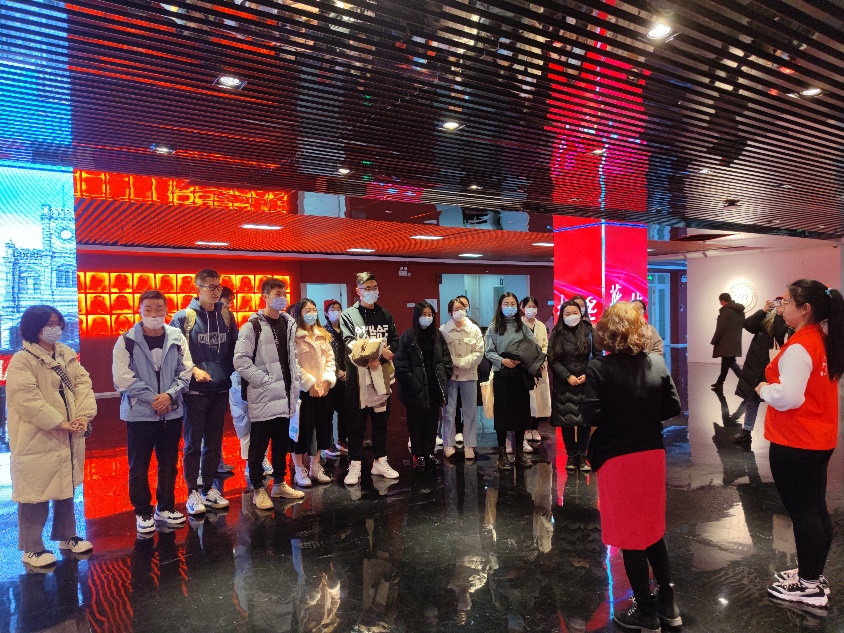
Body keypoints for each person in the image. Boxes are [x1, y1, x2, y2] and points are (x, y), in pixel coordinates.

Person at [582, 301, 683, 631]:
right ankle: (669, 604)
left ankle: (646, 613)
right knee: (653, 530)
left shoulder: (599, 368)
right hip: (652, 453)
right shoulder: (656, 362)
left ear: (606, 332)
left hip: (616, 457)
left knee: (629, 535)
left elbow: (591, 414)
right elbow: (672, 406)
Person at [757, 280, 843, 607]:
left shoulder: (800, 346)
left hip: (796, 441)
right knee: (815, 509)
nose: (781, 307)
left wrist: (764, 390)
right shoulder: (821, 339)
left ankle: (809, 586)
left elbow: (789, 397)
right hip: (817, 439)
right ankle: (812, 574)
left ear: (805, 309)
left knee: (804, 513)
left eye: (787, 302)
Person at [6, 305, 97, 568]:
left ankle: (67, 536)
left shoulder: (66, 354)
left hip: (68, 434)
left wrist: (83, 416)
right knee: (34, 491)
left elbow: (83, 386)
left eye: (58, 323)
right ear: (34, 327)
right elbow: (27, 399)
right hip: (36, 436)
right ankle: (32, 547)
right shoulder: (22, 359)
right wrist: (59, 423)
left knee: (65, 486)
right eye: (49, 324)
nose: (55, 328)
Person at [112, 290, 194, 534]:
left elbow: (186, 371)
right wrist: (154, 398)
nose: (154, 314)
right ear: (139, 311)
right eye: (148, 309)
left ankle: (165, 506)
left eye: (159, 309)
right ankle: (143, 511)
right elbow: (122, 379)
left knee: (169, 463)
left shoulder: (177, 337)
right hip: (140, 413)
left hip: (171, 411)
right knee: (139, 465)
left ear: (166, 310)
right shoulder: (126, 340)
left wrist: (169, 395)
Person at [169, 269, 238, 516]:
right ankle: (192, 492)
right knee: (193, 444)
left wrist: (227, 373)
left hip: (219, 390)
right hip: (194, 392)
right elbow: (174, 353)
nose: (216, 291)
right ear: (198, 289)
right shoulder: (183, 317)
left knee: (214, 443)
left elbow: (233, 349)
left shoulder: (226, 315)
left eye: (218, 286)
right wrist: (193, 370)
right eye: (210, 287)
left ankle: (209, 488)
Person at [234, 277, 305, 510]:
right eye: (277, 294)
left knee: (281, 443)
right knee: (258, 445)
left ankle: (279, 484)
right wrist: (264, 381)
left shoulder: (288, 323)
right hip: (264, 396)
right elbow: (240, 361)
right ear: (264, 297)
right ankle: (258, 488)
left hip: (286, 396)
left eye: (284, 293)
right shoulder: (252, 326)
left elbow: (291, 359)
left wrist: (295, 382)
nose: (281, 298)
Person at [340, 272, 401, 485]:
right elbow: (350, 342)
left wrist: (382, 356)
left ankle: (380, 461)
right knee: (356, 424)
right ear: (358, 291)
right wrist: (372, 356)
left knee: (381, 421)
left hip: (381, 375)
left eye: (375, 287)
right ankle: (355, 463)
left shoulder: (385, 314)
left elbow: (394, 340)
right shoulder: (348, 315)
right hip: (358, 377)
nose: (372, 291)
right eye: (367, 288)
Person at [395, 301, 453, 470]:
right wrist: (412, 382)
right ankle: (418, 453)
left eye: (430, 315)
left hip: (434, 385)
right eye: (423, 314)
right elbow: (400, 363)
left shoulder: (437, 335)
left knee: (432, 421)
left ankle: (429, 452)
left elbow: (446, 358)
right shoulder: (408, 336)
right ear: (417, 316)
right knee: (415, 422)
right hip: (415, 387)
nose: (427, 318)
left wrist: (444, 375)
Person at [484, 292, 537, 471]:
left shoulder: (523, 327)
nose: (510, 307)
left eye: (513, 303)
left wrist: (522, 359)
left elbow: (532, 346)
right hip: (502, 375)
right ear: (500, 306)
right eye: (506, 303)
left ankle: (519, 453)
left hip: (520, 376)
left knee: (521, 414)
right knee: (503, 415)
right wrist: (502, 361)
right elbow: (488, 351)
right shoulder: (494, 327)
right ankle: (502, 454)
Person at [549, 300, 600, 473]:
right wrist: (567, 376)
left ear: (581, 313)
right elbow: (552, 359)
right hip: (565, 383)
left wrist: (588, 374)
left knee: (585, 421)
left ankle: (582, 456)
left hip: (586, 381)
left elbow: (598, 356)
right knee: (567, 421)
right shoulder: (557, 332)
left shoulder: (589, 331)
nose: (571, 316)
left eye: (575, 313)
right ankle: (571, 455)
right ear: (562, 316)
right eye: (567, 314)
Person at [291, 298, 336, 487]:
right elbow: (293, 364)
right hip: (303, 392)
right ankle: (299, 469)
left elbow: (330, 360)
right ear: (299, 313)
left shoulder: (322, 334)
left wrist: (326, 382)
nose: (311, 314)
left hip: (322, 391)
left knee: (320, 430)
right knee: (300, 432)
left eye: (314, 310)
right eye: (307, 310)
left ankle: (315, 467)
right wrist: (309, 384)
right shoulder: (293, 335)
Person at [732, 299, 787, 444]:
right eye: (776, 303)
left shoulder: (787, 321)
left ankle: (778, 433)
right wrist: (763, 311)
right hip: (756, 363)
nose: (777, 306)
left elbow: (780, 335)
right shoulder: (766, 318)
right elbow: (748, 325)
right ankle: (746, 431)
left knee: (777, 400)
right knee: (752, 399)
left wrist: (780, 315)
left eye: (782, 303)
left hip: (773, 365)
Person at [440, 297, 484, 460]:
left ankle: (469, 444)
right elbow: (442, 353)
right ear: (450, 312)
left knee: (470, 411)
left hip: (469, 375)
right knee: (449, 411)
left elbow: (478, 353)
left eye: (462, 309)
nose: (459, 312)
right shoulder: (443, 330)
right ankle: (448, 444)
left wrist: (462, 363)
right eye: (456, 309)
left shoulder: (474, 330)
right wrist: (453, 363)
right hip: (450, 376)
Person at [521, 296, 550, 446]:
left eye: (534, 306)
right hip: (524, 368)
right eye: (528, 306)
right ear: (522, 308)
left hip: (539, 367)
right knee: (527, 400)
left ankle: (535, 429)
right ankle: (526, 428)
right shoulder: (518, 325)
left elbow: (545, 345)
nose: (531, 309)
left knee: (539, 400)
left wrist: (542, 361)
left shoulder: (541, 326)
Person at [323, 299, 349, 458]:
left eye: (339, 308)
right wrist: (337, 371)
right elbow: (326, 355)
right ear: (326, 313)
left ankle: (342, 440)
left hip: (346, 377)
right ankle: (328, 443)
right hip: (330, 377)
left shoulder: (346, 330)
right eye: (333, 309)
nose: (336, 311)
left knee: (344, 410)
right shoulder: (324, 331)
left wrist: (347, 371)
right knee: (328, 412)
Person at [710, 292, 745, 391]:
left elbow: (720, 328)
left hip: (725, 342)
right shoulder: (740, 311)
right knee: (726, 362)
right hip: (735, 341)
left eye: (720, 302)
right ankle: (719, 382)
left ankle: (746, 383)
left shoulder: (725, 312)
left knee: (731, 362)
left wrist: (714, 340)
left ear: (722, 301)